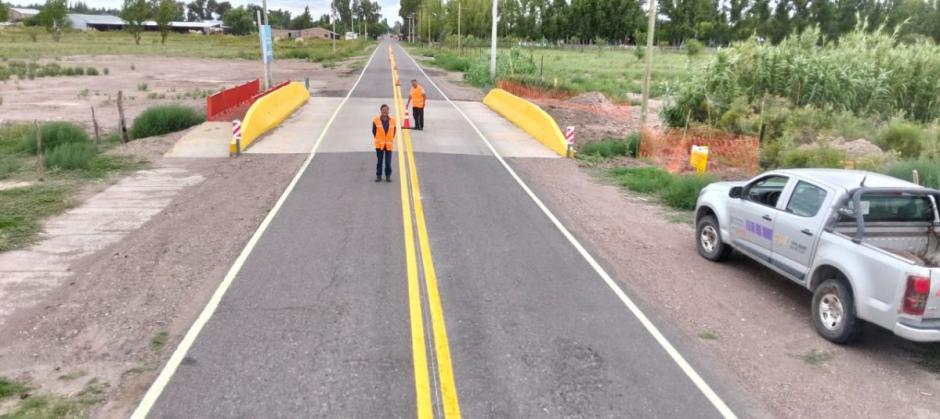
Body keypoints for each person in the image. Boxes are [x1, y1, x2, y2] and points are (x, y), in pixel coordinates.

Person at [372, 104, 396, 182]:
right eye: (383, 110)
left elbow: (394, 132)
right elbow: (374, 131)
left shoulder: (393, 120)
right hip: (379, 145)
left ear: (388, 111)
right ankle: (378, 176)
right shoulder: (376, 120)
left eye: (386, 110)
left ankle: (388, 176)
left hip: (388, 144)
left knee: (388, 162)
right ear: (381, 111)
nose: (385, 111)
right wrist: (379, 139)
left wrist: (389, 139)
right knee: (379, 161)